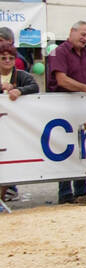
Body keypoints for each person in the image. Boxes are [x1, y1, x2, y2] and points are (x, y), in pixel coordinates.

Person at [45, 21, 86, 204]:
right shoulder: (58, 52)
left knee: (81, 149)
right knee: (63, 147)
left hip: (83, 110)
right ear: (72, 32)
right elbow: (61, 80)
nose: (85, 39)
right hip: (61, 109)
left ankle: (80, 190)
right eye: (83, 34)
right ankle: (65, 193)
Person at [0, 40, 39, 203]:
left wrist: (19, 90)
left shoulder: (21, 75)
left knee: (10, 160)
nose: (7, 61)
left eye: (10, 58)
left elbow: (34, 86)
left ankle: (4, 194)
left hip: (12, 127)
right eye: (3, 58)